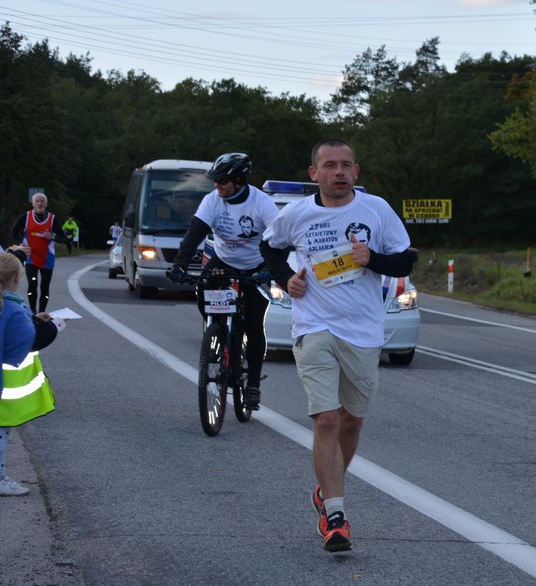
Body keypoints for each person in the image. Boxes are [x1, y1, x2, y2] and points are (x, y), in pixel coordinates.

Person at [260, 138, 416, 553]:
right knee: (326, 420)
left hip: (363, 332)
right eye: (330, 165)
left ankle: (325, 488)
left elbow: (405, 260)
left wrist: (373, 259)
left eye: (346, 165)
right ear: (314, 173)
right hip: (314, 326)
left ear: (356, 171)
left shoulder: (376, 210)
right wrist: (285, 279)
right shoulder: (296, 214)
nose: (339, 172)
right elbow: (269, 247)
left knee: (352, 422)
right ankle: (336, 516)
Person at [168, 153, 279, 411]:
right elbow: (195, 232)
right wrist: (180, 264)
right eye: (215, 180)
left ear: (238, 181)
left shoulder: (262, 203)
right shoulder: (213, 200)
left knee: (253, 323)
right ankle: (217, 332)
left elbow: (279, 239)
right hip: (224, 260)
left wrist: (270, 269)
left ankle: (253, 385)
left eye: (222, 181)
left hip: (257, 264)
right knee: (202, 289)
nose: (217, 185)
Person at [0, 252, 62, 496]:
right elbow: (28, 340)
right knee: (1, 428)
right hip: (3, 382)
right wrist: (53, 327)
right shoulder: (11, 309)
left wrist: (33, 318)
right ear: (16, 278)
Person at [11, 193, 66, 313]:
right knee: (32, 284)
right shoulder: (26, 216)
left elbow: (63, 238)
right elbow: (14, 230)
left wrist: (52, 237)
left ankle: (42, 312)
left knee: (45, 287)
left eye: (42, 201)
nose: (40, 203)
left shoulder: (52, 218)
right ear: (33, 204)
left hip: (47, 259)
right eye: (37, 201)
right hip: (31, 257)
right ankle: (33, 311)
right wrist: (20, 242)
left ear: (46, 204)